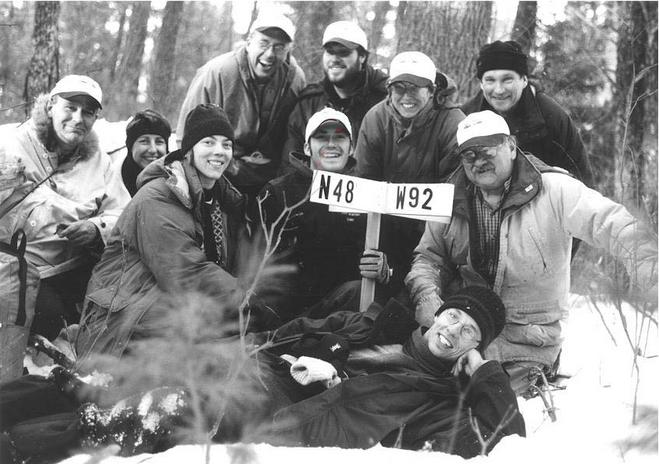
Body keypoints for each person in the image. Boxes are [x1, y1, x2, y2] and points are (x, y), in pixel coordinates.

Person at [405, 110, 657, 394]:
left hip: (526, 341)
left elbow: (613, 223)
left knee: (482, 399)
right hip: (463, 334)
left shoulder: (554, 189)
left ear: (512, 146)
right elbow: (429, 258)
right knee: (417, 387)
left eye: (488, 150)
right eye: (470, 155)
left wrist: (648, 264)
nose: (479, 161)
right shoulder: (450, 199)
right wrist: (427, 295)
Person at [76, 104, 276, 359]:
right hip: (120, 325)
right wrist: (248, 301)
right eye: (208, 143)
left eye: (226, 145)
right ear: (189, 150)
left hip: (162, 309)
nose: (219, 152)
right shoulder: (158, 198)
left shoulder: (218, 200)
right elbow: (186, 273)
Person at [262, 286, 524, 457]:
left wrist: (484, 370)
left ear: (476, 347)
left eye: (469, 331)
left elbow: (509, 446)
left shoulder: (438, 404)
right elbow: (273, 339)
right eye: (453, 316)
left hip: (284, 438)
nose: (454, 330)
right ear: (437, 315)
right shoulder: (368, 325)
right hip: (266, 378)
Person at [0, 75, 130, 340]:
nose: (78, 118)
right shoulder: (11, 144)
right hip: (11, 264)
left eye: (88, 112)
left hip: (67, 268)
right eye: (70, 108)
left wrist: (96, 228)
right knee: (47, 316)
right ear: (50, 107)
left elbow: (123, 213)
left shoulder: (101, 163)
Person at [258, 108, 392, 319]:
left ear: (351, 148)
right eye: (322, 137)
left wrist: (382, 268)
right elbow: (262, 270)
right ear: (307, 147)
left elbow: (387, 257)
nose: (331, 144)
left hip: (345, 306)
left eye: (339, 137)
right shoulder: (277, 192)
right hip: (288, 313)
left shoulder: (368, 194)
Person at [354, 51, 465, 296]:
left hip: (432, 232)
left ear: (432, 91)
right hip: (385, 225)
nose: (407, 96)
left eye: (416, 88)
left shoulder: (453, 123)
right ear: (389, 90)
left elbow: (454, 194)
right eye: (399, 88)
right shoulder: (375, 119)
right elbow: (365, 181)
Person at [176, 11, 306, 200]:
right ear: (249, 41)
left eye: (279, 47)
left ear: (288, 51)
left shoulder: (295, 80)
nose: (269, 54)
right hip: (218, 173)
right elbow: (185, 137)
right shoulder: (217, 73)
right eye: (264, 43)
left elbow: (294, 137)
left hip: (269, 179)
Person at [461, 40, 593, 186]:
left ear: (524, 80)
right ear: (481, 84)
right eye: (490, 80)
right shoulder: (467, 117)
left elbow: (581, 177)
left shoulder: (551, 117)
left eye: (507, 80)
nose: (499, 90)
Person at [280, 20, 388, 173]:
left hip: (368, 190)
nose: (335, 59)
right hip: (314, 191)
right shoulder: (309, 102)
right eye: (330, 52)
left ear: (362, 57)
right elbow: (291, 163)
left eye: (344, 52)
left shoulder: (384, 100)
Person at [118, 109, 171, 196]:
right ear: (130, 147)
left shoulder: (178, 179)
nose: (153, 150)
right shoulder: (112, 179)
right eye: (144, 141)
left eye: (159, 142)